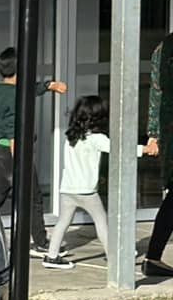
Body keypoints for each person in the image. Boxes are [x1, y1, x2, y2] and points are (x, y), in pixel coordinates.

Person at [43, 94, 149, 271]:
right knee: (101, 222)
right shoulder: (96, 138)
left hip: (67, 189)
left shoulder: (71, 136)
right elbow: (119, 151)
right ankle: (112, 257)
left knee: (62, 222)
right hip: (87, 192)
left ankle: (51, 256)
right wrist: (143, 150)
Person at [0, 46, 66, 252]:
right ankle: (40, 242)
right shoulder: (15, 97)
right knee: (33, 198)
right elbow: (12, 129)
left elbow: (30, 89)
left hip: (1, 153)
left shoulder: (2, 90)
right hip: (14, 153)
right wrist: (20, 157)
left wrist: (50, 86)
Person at [144, 20, 173, 279]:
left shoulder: (165, 46)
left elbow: (156, 92)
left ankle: (153, 256)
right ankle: (153, 257)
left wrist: (154, 134)